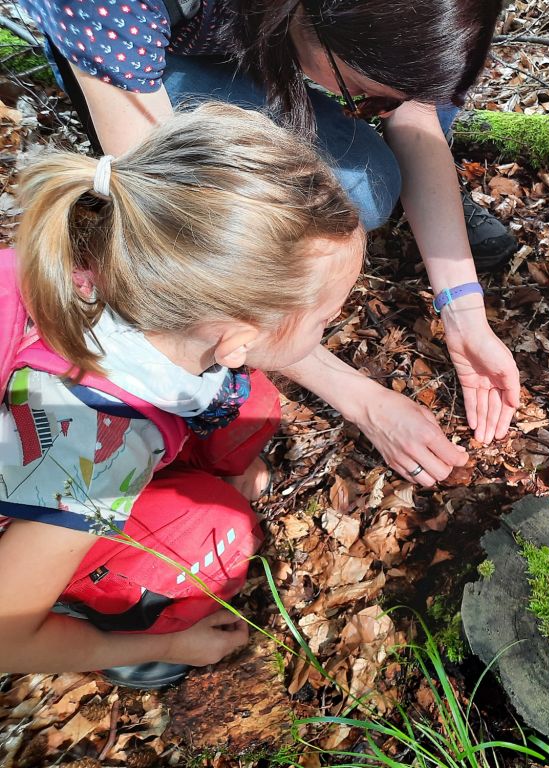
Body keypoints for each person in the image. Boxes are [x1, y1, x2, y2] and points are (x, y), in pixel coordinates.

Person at [18, 0, 521, 481]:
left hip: (256, 31)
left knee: (402, 125)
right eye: (368, 98)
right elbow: (190, 241)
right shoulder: (109, 11)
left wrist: (463, 311)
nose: (375, 112)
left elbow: (416, 116)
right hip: (158, 58)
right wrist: (360, 399)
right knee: (363, 188)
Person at [0, 102, 398, 687]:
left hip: (65, 430)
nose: (328, 331)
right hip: (40, 516)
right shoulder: (95, 449)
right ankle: (105, 624)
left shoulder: (120, 253)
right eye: (325, 320)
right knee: (220, 539)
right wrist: (182, 644)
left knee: (250, 408)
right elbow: (6, 637)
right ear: (235, 339)